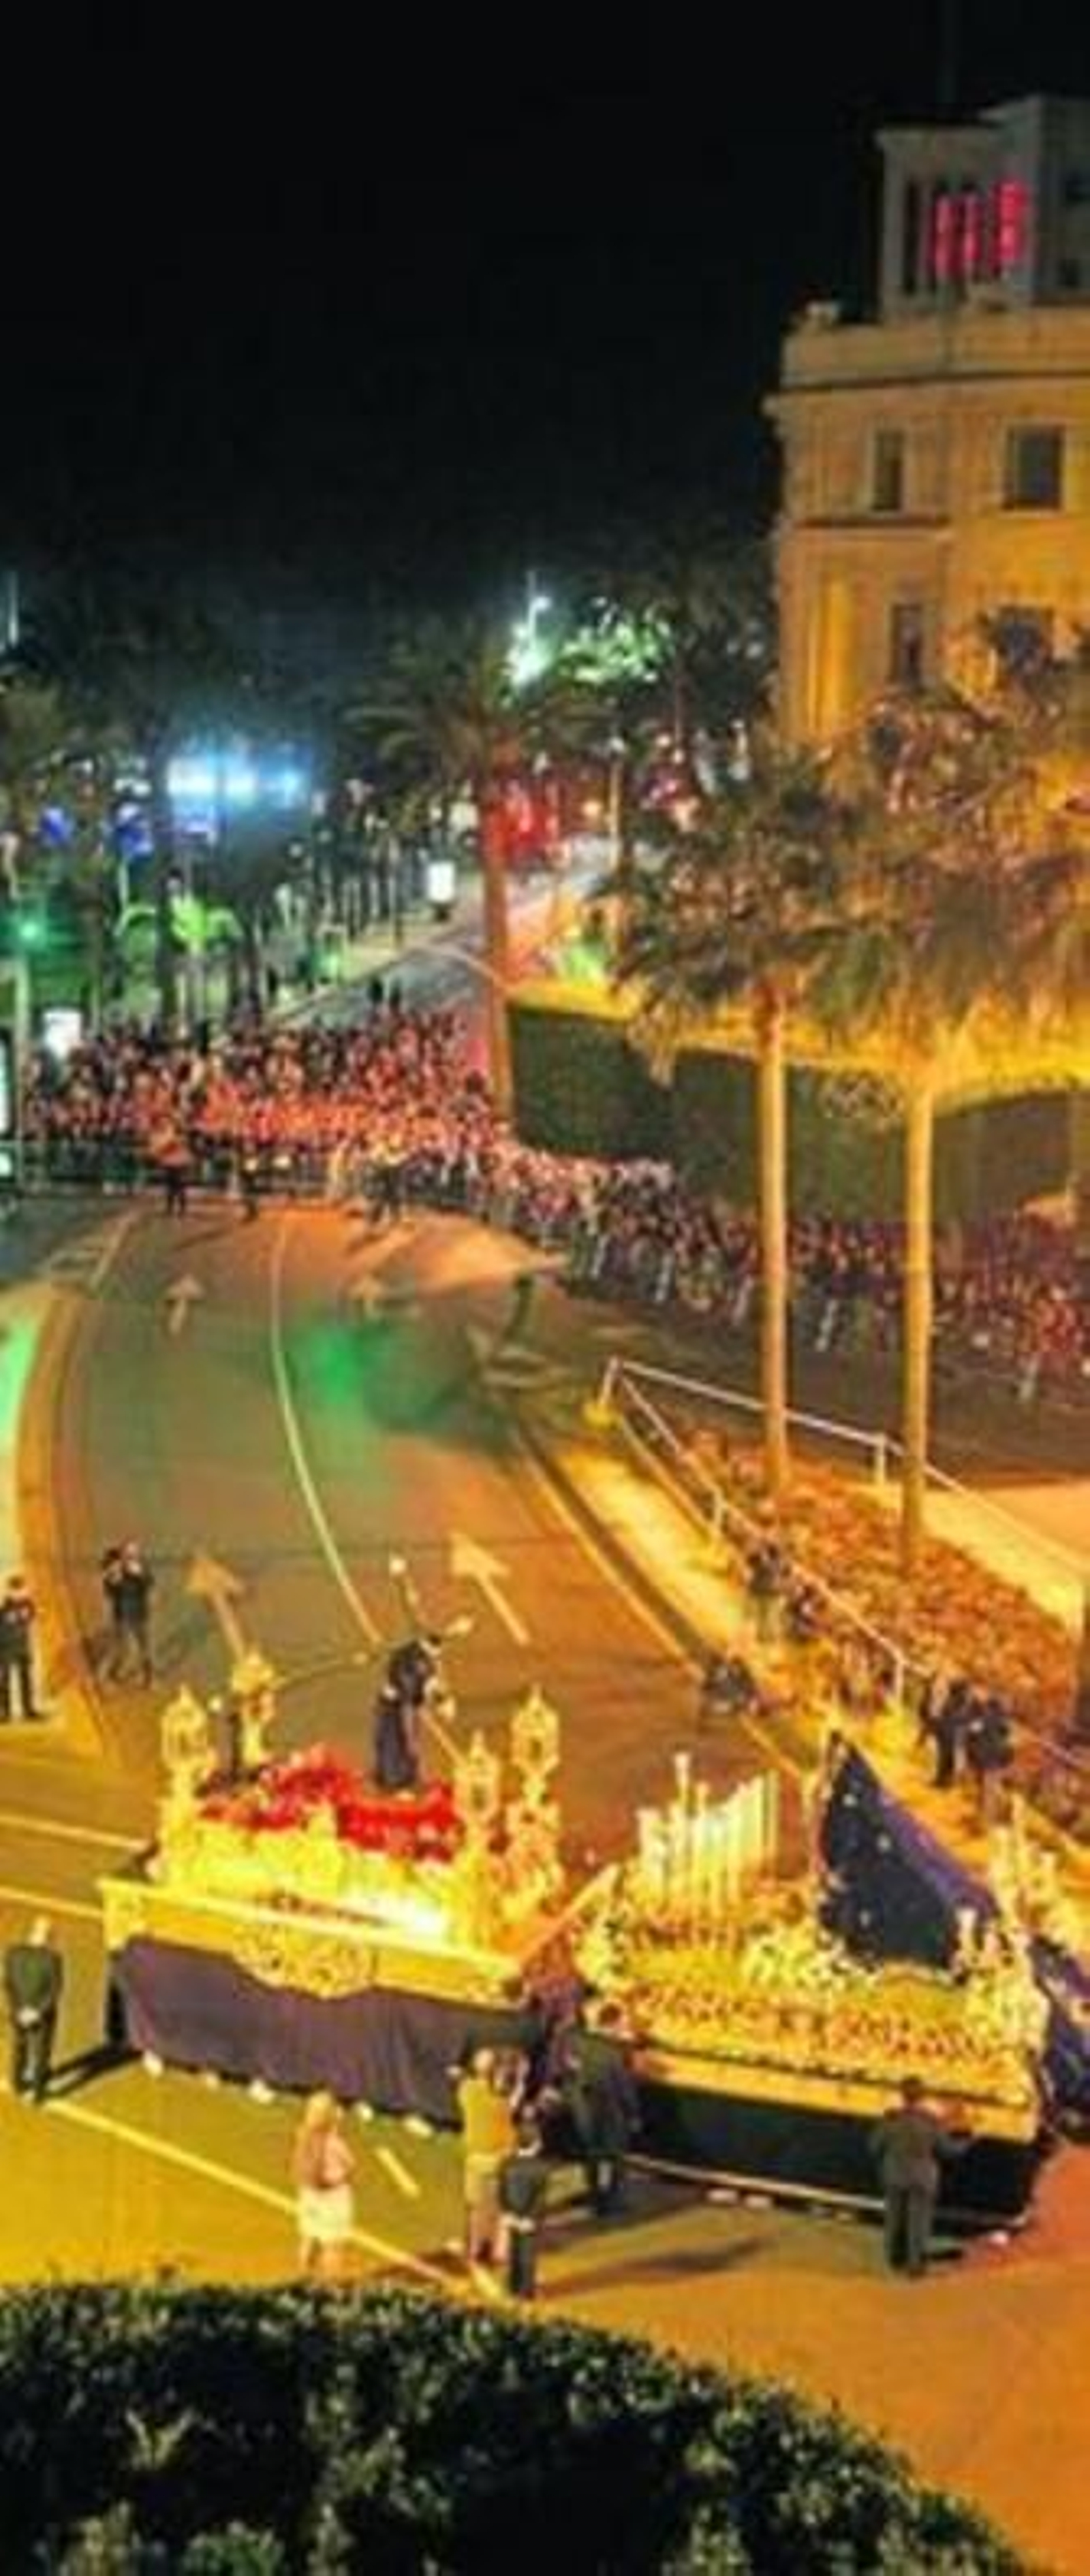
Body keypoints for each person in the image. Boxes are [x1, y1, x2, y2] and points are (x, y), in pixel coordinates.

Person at [871, 2076, 969, 2278]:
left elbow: (874, 2146)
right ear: (922, 2097)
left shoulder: (891, 2119)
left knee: (893, 2220)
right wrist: (969, 2142)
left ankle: (894, 2260)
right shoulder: (931, 2123)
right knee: (919, 2224)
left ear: (902, 2096)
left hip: (895, 2176)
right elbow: (948, 2150)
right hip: (923, 2179)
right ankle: (915, 2268)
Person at [561, 2000, 640, 2216]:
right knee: (615, 2157)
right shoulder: (618, 2052)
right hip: (612, 2111)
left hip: (583, 2106)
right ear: (614, 2024)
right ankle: (612, 2202)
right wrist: (633, 2114)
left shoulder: (574, 2041)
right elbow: (625, 2087)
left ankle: (593, 2194)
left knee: (591, 2154)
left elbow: (568, 2067)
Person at [454, 2048, 516, 2270]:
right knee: (501, 2206)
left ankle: (474, 2249)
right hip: (500, 2155)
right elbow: (510, 2108)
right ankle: (499, 2251)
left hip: (476, 2155)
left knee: (475, 2207)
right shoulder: (502, 2099)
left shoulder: (467, 2090)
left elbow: (465, 2087)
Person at [291, 2090, 356, 2283]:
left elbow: (297, 2169)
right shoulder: (333, 2143)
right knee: (333, 2247)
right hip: (332, 2198)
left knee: (308, 2239)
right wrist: (341, 2177)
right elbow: (349, 2167)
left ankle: (302, 2281)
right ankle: (330, 2288)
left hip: (309, 2196)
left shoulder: (302, 2134)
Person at [371, 1634, 440, 1794]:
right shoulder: (410, 1669)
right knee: (396, 1745)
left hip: (398, 1704)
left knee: (400, 1745)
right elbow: (407, 1706)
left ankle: (403, 1779)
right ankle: (396, 1784)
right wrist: (411, 1738)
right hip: (393, 1709)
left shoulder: (419, 1655)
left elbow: (429, 1685)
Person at [3, 1916, 63, 2100]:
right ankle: (38, 2092)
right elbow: (55, 1989)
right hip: (41, 2014)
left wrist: (17, 2008)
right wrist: (37, 2011)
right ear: (48, 1936)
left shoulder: (13, 1953)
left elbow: (7, 1984)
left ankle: (16, 2083)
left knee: (18, 2047)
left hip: (18, 2010)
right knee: (41, 2051)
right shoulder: (53, 1959)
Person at [498, 2112, 548, 2302]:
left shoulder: (506, 2164)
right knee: (528, 2257)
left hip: (511, 2216)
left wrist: (506, 2213)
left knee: (513, 2254)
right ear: (535, 2144)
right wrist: (531, 2218)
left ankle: (511, 2287)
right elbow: (540, 2199)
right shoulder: (541, 2169)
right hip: (528, 2220)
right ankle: (526, 2291)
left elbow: (501, 2191)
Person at [107, 1542, 155, 1687]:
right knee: (123, 1648)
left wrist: (140, 1575)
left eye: (134, 1555)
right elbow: (110, 1592)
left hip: (139, 1614)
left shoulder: (140, 1569)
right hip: (122, 1615)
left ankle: (148, 1677)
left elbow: (150, 1583)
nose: (131, 1558)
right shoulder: (116, 1571)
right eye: (128, 1555)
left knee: (144, 1647)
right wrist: (115, 1579)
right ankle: (113, 1673)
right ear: (123, 1556)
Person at [0, 1573, 40, 1722]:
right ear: (10, 1591)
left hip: (23, 1645)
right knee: (4, 1681)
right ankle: (5, 1712)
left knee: (26, 1679)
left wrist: (23, 1615)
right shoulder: (4, 1606)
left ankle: (28, 1710)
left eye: (22, 1589)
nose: (21, 1593)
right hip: (5, 1647)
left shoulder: (28, 1604)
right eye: (17, 1590)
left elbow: (32, 1616)